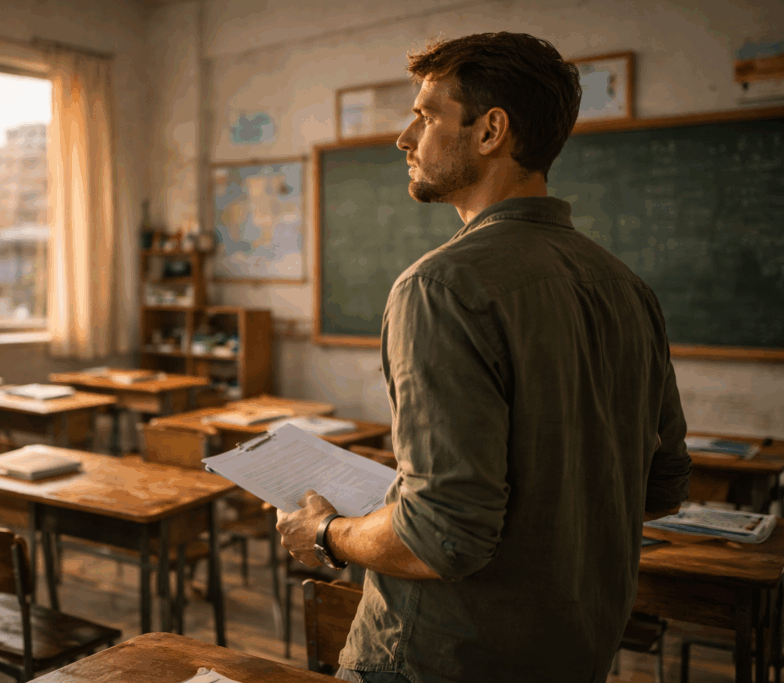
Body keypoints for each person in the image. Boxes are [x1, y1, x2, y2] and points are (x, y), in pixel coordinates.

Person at [276, 32, 691, 683]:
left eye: (427, 114)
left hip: (444, 658)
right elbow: (662, 487)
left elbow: (439, 536)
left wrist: (326, 530)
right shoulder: (627, 287)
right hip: (577, 651)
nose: (404, 138)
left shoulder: (439, 286)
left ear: (491, 129)